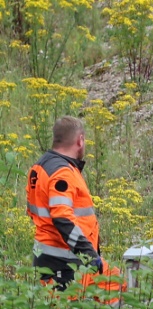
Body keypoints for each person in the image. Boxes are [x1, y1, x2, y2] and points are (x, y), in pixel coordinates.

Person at [25, 116, 119, 292]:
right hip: (65, 264)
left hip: (56, 258)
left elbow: (33, 212)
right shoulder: (63, 173)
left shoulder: (39, 168)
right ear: (80, 140)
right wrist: (88, 255)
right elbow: (62, 218)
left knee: (113, 283)